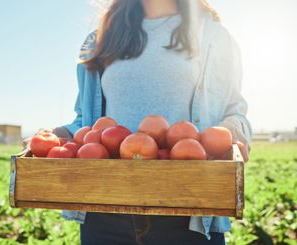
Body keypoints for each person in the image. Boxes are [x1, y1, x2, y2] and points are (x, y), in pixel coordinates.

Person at [32, 0, 252, 244]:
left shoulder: (212, 35)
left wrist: (232, 133)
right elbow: (87, 122)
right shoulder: (101, 39)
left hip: (188, 210)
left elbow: (235, 110)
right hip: (105, 209)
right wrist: (54, 135)